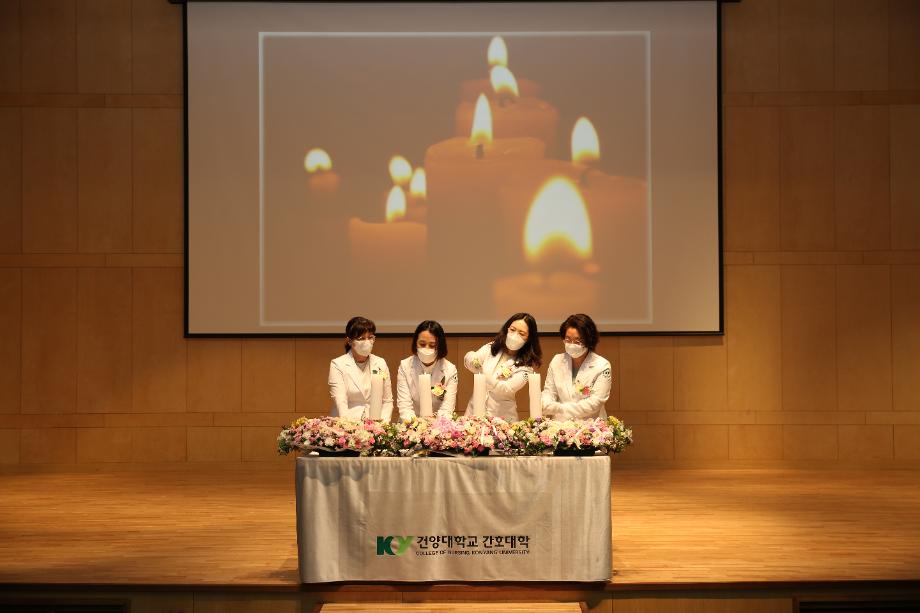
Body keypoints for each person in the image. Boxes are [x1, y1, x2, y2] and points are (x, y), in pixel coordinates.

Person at [463, 312, 542, 422]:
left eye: (522, 333)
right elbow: (470, 361)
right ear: (507, 329)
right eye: (512, 330)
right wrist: (471, 358)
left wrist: (481, 372)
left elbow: (505, 389)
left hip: (502, 419)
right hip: (474, 412)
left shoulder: (526, 367)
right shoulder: (492, 347)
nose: (515, 336)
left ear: (529, 338)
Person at [541, 313, 612, 420]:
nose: (572, 344)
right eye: (568, 340)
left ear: (589, 341)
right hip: (560, 424)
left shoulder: (602, 365)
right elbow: (549, 392)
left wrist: (559, 409)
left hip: (590, 425)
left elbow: (595, 402)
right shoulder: (557, 361)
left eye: (578, 341)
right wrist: (545, 403)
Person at [328, 316, 393, 421]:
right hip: (345, 422)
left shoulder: (380, 363)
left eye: (370, 337)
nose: (367, 342)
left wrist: (383, 424)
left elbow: (387, 400)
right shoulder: (338, 364)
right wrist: (349, 426)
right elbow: (340, 400)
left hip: (375, 422)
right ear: (349, 341)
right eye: (361, 338)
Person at [395, 320, 459, 420]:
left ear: (440, 346)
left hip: (439, 424)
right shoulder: (405, 366)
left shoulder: (450, 370)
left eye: (432, 345)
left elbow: (447, 408)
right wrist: (417, 425)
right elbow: (405, 406)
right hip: (410, 423)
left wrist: (435, 425)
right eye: (422, 344)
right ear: (415, 343)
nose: (427, 348)